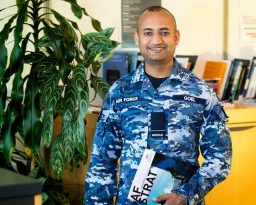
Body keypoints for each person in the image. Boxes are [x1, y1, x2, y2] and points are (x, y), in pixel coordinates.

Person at [84, 6, 232, 205]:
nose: (156, 40)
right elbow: (102, 161)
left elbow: (220, 156)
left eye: (164, 32)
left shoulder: (201, 92)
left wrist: (187, 194)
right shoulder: (120, 92)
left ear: (176, 37)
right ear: (137, 38)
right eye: (148, 33)